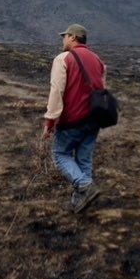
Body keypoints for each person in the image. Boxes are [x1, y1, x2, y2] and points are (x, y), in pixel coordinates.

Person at [41, 24, 107, 213]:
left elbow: (57, 90)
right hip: (94, 120)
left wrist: (50, 120)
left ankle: (86, 186)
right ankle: (80, 203)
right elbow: (102, 89)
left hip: (72, 119)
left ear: (72, 37)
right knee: (84, 160)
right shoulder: (98, 60)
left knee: (60, 155)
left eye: (65, 36)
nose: (62, 40)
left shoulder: (63, 59)